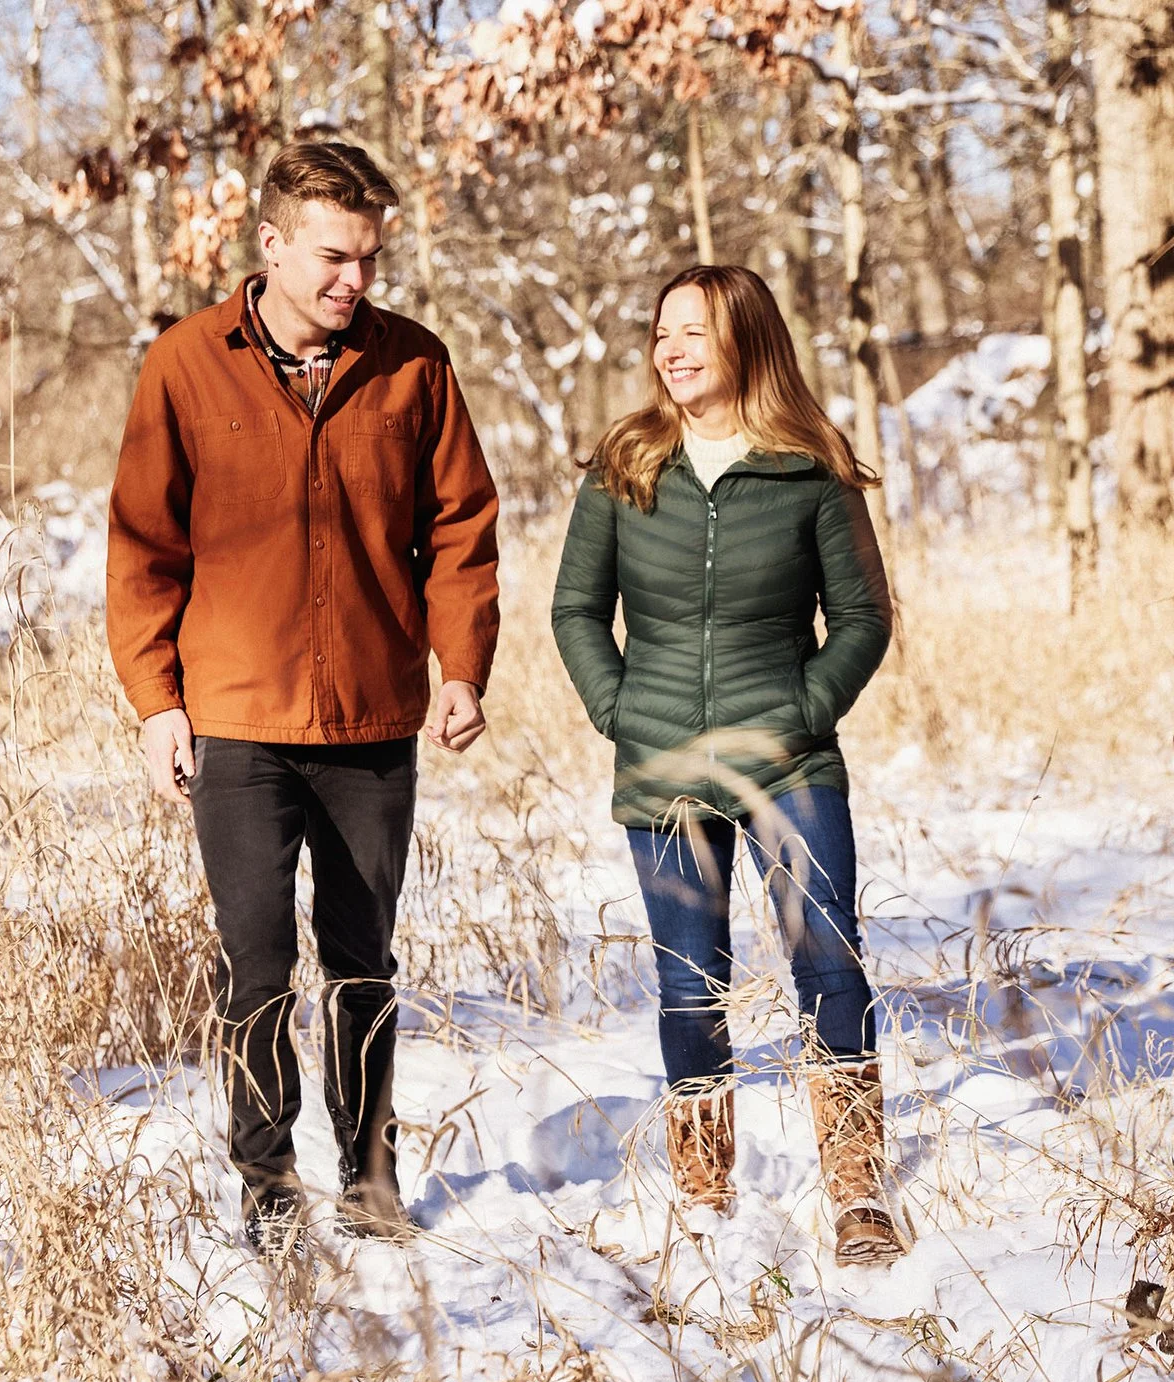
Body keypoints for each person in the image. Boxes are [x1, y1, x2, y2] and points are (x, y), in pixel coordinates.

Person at [106, 141, 501, 1256]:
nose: (354, 281)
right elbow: (142, 546)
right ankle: (266, 1182)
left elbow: (462, 528)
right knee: (257, 966)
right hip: (233, 720)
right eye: (333, 257)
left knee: (364, 959)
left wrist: (460, 665)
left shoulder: (414, 367)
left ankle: (371, 1177)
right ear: (269, 243)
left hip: (374, 720)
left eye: (370, 258)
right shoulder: (184, 365)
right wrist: (155, 699)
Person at [550, 264, 901, 1267]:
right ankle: (704, 1195)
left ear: (747, 337)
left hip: (787, 760)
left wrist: (801, 710)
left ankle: (858, 1189)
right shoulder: (626, 460)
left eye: (694, 331)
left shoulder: (807, 464)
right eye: (661, 331)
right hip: (661, 764)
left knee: (828, 959)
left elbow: (863, 616)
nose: (671, 349)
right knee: (686, 983)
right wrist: (616, 707)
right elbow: (575, 608)